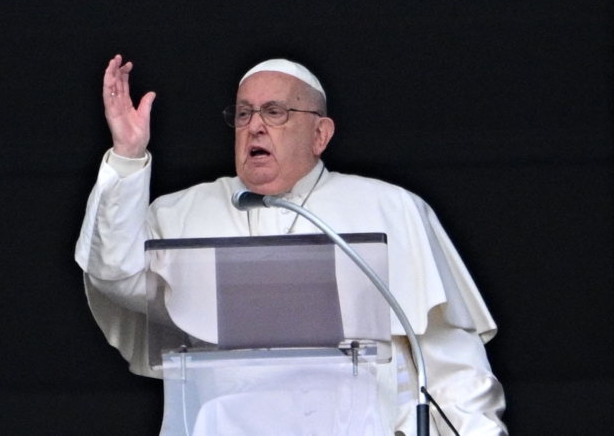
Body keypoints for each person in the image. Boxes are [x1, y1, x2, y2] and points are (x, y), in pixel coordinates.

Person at [74, 55, 507, 436]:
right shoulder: (183, 213)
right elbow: (115, 276)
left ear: (320, 134)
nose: (255, 125)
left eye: (275, 111)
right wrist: (128, 157)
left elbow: (453, 363)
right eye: (243, 114)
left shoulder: (392, 208)